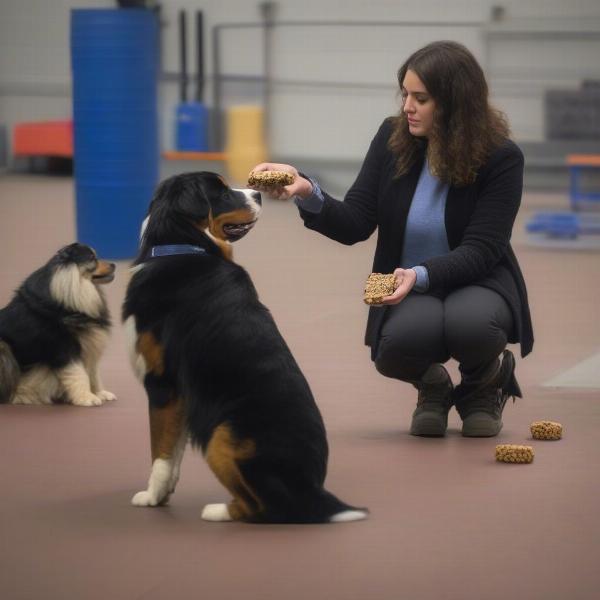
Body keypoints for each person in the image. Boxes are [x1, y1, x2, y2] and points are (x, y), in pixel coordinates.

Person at [249, 40, 533, 438]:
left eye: (421, 98)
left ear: (455, 103)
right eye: (405, 95)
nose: (407, 107)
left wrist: (417, 275)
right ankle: (432, 386)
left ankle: (483, 383)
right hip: (406, 284)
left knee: (470, 324)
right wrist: (305, 190)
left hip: (477, 281)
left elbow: (483, 250)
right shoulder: (392, 138)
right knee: (395, 347)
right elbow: (355, 222)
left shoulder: (502, 158)